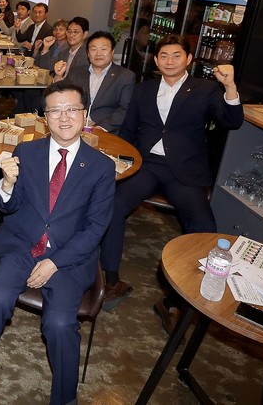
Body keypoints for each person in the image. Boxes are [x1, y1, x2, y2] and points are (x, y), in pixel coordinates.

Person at [0, 81, 116, 405]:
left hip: (68, 257)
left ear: (85, 114)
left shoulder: (101, 167)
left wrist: (55, 262)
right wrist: (7, 184)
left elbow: (95, 228)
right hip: (23, 245)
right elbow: (7, 207)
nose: (64, 117)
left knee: (59, 323)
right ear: (44, 117)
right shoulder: (26, 152)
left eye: (72, 109)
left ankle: (64, 398)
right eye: (55, 111)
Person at [98, 35, 244, 317]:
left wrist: (230, 87)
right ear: (156, 60)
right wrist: (119, 162)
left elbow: (232, 121)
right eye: (164, 56)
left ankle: (180, 299)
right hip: (146, 164)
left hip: (184, 169)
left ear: (188, 59)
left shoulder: (205, 89)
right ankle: (111, 280)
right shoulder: (144, 89)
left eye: (177, 55)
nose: (170, 61)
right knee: (113, 205)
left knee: (203, 224)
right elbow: (128, 130)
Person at [63, 31, 135, 134]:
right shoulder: (75, 73)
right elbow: (63, 98)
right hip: (73, 126)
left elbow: (125, 108)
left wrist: (101, 128)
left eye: (104, 49)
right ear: (88, 53)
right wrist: (58, 76)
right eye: (94, 49)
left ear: (112, 52)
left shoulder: (125, 76)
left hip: (106, 130)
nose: (98, 54)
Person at [52, 16, 91, 81]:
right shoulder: (63, 53)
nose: (71, 35)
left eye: (75, 32)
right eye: (69, 31)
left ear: (85, 34)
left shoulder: (87, 56)